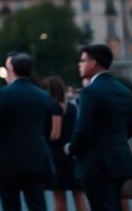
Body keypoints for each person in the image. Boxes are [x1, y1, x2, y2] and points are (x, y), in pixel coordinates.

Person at [65, 44, 132, 211]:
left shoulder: (90, 92)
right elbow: (131, 129)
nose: (79, 64)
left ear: (93, 63)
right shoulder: (124, 90)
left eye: (83, 60)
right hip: (119, 161)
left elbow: (83, 129)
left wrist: (71, 148)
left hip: (96, 165)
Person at [0, 52, 52, 211]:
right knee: (37, 205)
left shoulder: (3, 94)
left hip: (8, 160)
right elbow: (47, 129)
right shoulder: (43, 96)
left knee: (10, 205)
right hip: (36, 158)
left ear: (12, 69)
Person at [41, 76, 88, 211]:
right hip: (71, 153)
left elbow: (55, 134)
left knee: (59, 196)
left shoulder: (54, 106)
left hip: (57, 156)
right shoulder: (72, 107)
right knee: (79, 194)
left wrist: (41, 137)